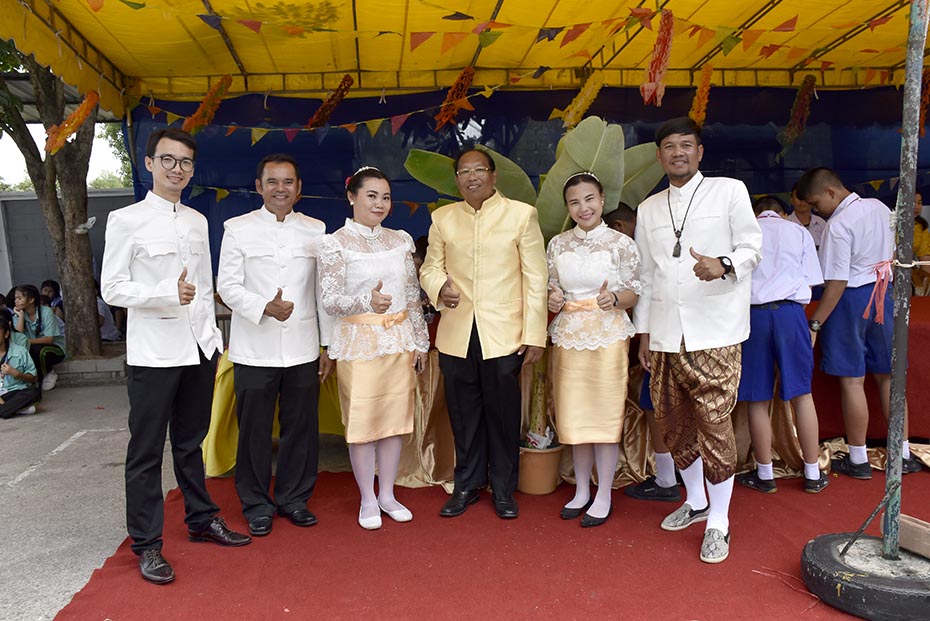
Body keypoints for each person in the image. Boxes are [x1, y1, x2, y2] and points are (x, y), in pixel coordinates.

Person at [101, 127, 250, 585]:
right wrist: (166, 293)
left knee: (191, 443)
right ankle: (147, 543)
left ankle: (201, 518)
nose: (176, 169)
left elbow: (203, 288)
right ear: (149, 164)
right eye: (167, 159)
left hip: (198, 349)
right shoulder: (125, 220)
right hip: (153, 353)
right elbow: (112, 288)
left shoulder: (197, 220)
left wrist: (213, 340)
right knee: (146, 451)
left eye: (185, 162)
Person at [634, 117, 762, 564]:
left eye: (686, 145)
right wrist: (644, 333)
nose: (678, 153)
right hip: (665, 334)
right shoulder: (649, 209)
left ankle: (719, 521)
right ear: (659, 156)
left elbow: (753, 247)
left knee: (714, 423)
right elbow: (646, 276)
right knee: (673, 422)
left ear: (700, 151)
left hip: (716, 330)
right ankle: (695, 501)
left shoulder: (729, 191)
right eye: (669, 146)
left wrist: (723, 264)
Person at [420, 147, 548, 520]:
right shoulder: (443, 218)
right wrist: (439, 286)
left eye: (479, 170)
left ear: (493, 175)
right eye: (464, 172)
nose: (472, 177)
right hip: (457, 331)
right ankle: (467, 484)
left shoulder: (521, 215)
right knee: (463, 415)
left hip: (505, 333)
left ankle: (504, 489)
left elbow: (536, 277)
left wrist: (535, 334)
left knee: (503, 414)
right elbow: (429, 268)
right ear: (457, 179)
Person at [216, 153, 334, 537]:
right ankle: (256, 504)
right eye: (272, 181)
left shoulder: (316, 230)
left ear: (298, 188)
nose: (280, 189)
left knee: (301, 428)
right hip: (254, 348)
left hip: (302, 346)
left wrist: (327, 345)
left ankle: (294, 498)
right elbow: (226, 286)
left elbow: (322, 292)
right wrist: (263, 306)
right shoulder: (238, 229)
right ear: (259, 187)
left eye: (287, 182)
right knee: (254, 431)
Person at [319, 166, 429, 530]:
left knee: (394, 423)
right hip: (359, 344)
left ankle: (388, 494)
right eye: (371, 196)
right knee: (363, 423)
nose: (379, 204)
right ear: (351, 197)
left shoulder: (400, 240)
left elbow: (412, 296)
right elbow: (330, 300)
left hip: (398, 341)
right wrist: (366, 301)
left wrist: (420, 341)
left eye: (385, 197)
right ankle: (367, 497)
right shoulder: (335, 243)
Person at [796, 167, 923, 478]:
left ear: (830, 192)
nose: (817, 211)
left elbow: (837, 282)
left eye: (816, 204)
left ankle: (858, 458)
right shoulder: (879, 207)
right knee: (889, 378)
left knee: (852, 381)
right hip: (884, 293)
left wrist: (815, 323)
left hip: (850, 299)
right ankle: (902, 453)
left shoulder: (838, 225)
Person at [547, 173, 641, 527]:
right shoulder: (557, 244)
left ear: (602, 200)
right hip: (569, 335)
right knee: (574, 415)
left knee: (604, 416)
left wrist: (615, 298)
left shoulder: (621, 243)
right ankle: (582, 489)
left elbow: (634, 292)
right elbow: (551, 286)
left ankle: (604, 494)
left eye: (589, 199)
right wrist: (553, 296)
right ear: (568, 208)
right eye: (574, 202)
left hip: (608, 336)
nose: (583, 208)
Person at [735, 196, 828, 494]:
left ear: (755, 213)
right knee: (802, 395)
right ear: (784, 213)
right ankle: (812, 472)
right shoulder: (798, 231)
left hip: (753, 317)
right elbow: (811, 281)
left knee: (757, 398)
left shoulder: (743, 232)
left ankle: (765, 475)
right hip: (791, 314)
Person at [607, 203, 682, 503]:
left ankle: (667, 478)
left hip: (665, 334)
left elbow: (644, 290)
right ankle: (680, 471)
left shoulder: (639, 246)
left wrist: (644, 337)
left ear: (618, 227)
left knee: (656, 402)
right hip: (684, 332)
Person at [13, 284, 65, 391]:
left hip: (55, 348)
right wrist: (21, 317)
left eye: (19, 298)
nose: (16, 301)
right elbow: (18, 337)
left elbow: (49, 339)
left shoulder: (46, 312)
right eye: (15, 298)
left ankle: (49, 373)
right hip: (31, 347)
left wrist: (27, 341)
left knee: (38, 350)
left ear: (31, 300)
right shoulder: (18, 314)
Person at [0, 314, 41, 419]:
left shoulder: (20, 351)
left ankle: (6, 409)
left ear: (6, 334)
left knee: (35, 392)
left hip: (13, 392)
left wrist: (17, 374)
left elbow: (34, 378)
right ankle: (15, 409)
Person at [789, 184, 827, 250]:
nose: (802, 201)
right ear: (791, 200)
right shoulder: (786, 224)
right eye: (798, 197)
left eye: (804, 197)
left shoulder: (821, 223)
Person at [912, 191, 930, 274]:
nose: (916, 207)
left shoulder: (920, 227)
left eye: (919, 203)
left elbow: (925, 258)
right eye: (912, 203)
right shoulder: (890, 224)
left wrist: (926, 279)